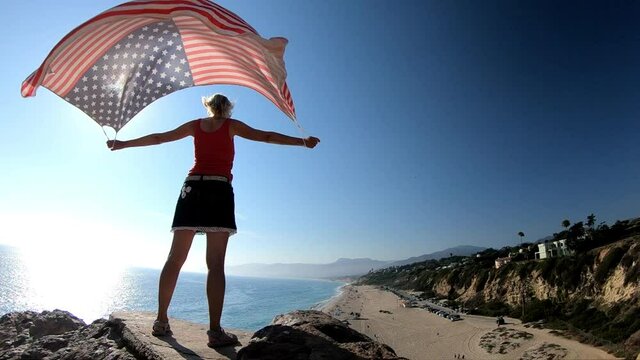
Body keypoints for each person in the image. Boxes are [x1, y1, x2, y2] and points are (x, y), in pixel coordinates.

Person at [107, 94, 320, 348]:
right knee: (215, 264)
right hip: (218, 189)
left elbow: (158, 138)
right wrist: (302, 142)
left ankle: (161, 322)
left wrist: (122, 144)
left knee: (175, 259)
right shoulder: (232, 126)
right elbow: (267, 136)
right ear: (228, 109)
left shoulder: (195, 125)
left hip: (191, 188)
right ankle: (215, 332)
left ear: (207, 106)